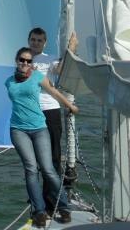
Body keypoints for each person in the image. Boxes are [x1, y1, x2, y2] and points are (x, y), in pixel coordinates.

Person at [5, 47, 78, 228]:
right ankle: (39, 211)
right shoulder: (9, 82)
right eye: (22, 60)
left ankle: (64, 207)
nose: (25, 63)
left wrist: (70, 106)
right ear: (17, 60)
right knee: (30, 169)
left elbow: (54, 92)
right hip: (18, 130)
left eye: (29, 61)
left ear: (32, 64)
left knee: (48, 169)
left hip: (39, 128)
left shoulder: (37, 77)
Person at [28, 27, 78, 178]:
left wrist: (70, 49)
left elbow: (60, 70)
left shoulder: (50, 59)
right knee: (34, 155)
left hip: (50, 109)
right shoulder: (24, 59)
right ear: (29, 41)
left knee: (53, 151)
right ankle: (37, 189)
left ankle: (53, 188)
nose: (36, 43)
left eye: (39, 40)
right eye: (33, 40)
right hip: (31, 111)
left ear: (45, 43)